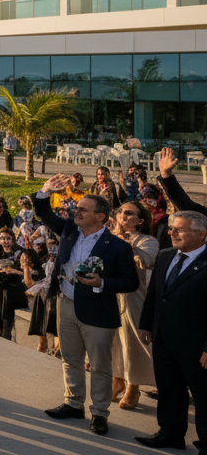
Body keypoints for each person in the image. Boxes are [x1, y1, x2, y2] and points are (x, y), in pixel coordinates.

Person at [32, 177, 139, 435]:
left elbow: (130, 281)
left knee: (101, 365)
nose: (75, 212)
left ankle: (100, 413)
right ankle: (73, 403)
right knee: (70, 359)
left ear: (101, 217)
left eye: (82, 210)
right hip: (66, 303)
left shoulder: (117, 247)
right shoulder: (69, 229)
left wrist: (102, 282)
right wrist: (45, 191)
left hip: (98, 311)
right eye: (76, 208)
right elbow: (43, 212)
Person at [135, 211, 207, 455]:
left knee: (203, 398)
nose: (171, 233)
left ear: (201, 234)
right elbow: (154, 295)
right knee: (169, 390)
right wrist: (145, 325)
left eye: (179, 230)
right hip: (164, 339)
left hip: (196, 346)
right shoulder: (165, 256)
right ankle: (171, 434)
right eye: (172, 228)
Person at [109, 200, 157, 410]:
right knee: (112, 340)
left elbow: (144, 261)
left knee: (132, 340)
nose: (123, 216)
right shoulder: (108, 236)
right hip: (110, 292)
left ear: (140, 220)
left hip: (135, 295)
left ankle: (133, 385)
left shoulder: (148, 240)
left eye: (129, 213)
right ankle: (117, 378)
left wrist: (122, 241)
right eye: (120, 212)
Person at [0, 228, 29, 341]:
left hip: (16, 286)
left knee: (4, 287)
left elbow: (28, 271)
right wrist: (3, 271)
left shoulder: (20, 252)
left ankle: (2, 327)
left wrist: (12, 271)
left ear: (13, 239)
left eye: (8, 238)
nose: (5, 241)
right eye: (2, 238)